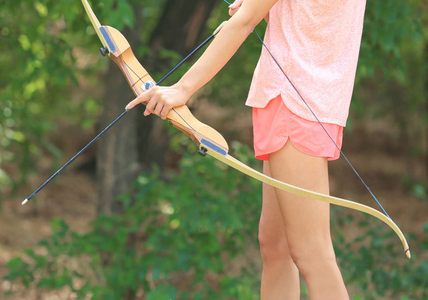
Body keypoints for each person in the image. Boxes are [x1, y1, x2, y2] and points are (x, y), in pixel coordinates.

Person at [127, 0, 367, 298]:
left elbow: (243, 22)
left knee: (312, 252)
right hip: (297, 100)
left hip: (294, 103)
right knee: (275, 245)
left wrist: (182, 88)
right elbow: (314, 22)